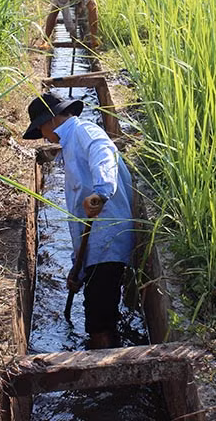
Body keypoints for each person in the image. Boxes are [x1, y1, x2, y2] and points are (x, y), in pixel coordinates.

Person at [23, 92, 135, 349]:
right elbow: (79, 222)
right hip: (98, 247)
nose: (43, 136)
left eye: (40, 128)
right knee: (100, 312)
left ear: (50, 120)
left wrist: (101, 191)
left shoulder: (85, 132)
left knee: (99, 321)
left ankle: (108, 376)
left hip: (108, 240)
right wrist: (78, 269)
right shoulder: (70, 146)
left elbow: (103, 153)